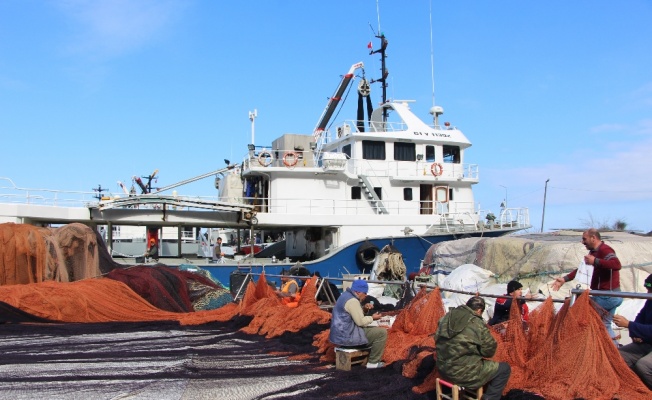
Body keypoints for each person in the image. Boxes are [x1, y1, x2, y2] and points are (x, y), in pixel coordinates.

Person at [552, 228, 623, 345]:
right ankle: (614, 352)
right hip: (607, 295)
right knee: (605, 324)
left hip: (607, 296)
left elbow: (616, 264)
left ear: (593, 238)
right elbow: (581, 269)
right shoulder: (593, 253)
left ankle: (578, 348)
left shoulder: (605, 250)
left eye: (584, 239)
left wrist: (596, 261)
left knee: (582, 318)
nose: (582, 242)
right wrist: (564, 279)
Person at [435, 296, 511, 400]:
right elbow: (489, 351)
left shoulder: (446, 317)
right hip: (465, 375)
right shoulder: (477, 322)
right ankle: (489, 398)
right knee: (504, 369)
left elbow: (437, 339)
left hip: (442, 370)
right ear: (479, 310)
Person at [329, 279, 387, 369]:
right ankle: (373, 363)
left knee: (372, 329)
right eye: (365, 293)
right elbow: (361, 322)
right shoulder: (353, 301)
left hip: (340, 336)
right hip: (348, 338)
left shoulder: (344, 296)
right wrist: (373, 318)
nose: (366, 295)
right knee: (381, 333)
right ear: (359, 292)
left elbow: (352, 315)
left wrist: (364, 309)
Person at [614, 274, 652, 389]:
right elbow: (640, 317)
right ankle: (635, 389)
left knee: (644, 365)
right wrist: (636, 333)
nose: (648, 292)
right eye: (647, 289)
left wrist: (629, 325)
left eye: (650, 289)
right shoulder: (650, 301)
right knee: (616, 356)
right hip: (647, 343)